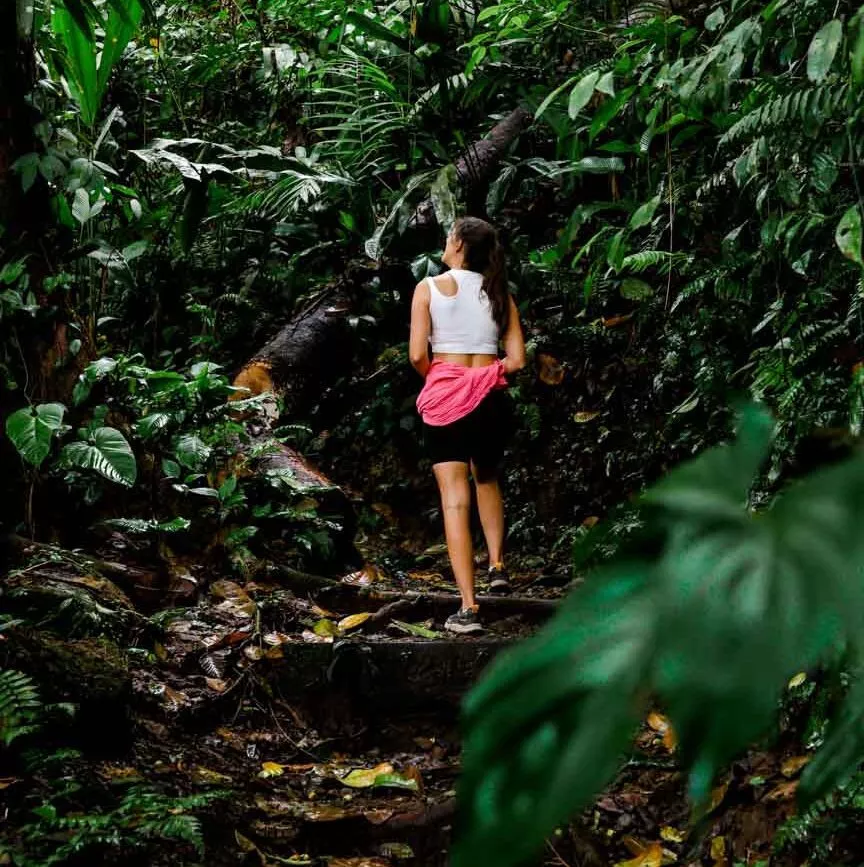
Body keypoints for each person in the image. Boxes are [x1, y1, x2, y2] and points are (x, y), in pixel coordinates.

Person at [409, 216, 526, 634]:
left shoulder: (428, 288)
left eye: (448, 235)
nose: (445, 241)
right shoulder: (499, 293)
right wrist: (480, 380)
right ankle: (497, 564)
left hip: (446, 404)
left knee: (455, 501)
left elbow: (418, 357)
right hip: (491, 402)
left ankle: (469, 608)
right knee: (487, 478)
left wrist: (450, 383)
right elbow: (516, 361)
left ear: (458, 244)